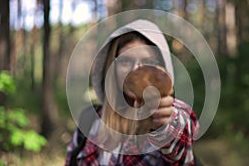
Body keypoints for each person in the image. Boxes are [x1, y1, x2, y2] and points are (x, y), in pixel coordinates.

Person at [65, 19, 200, 166]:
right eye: (125, 61)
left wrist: (164, 125)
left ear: (162, 69)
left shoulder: (173, 113)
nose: (136, 70)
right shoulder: (90, 121)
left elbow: (179, 136)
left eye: (149, 62)